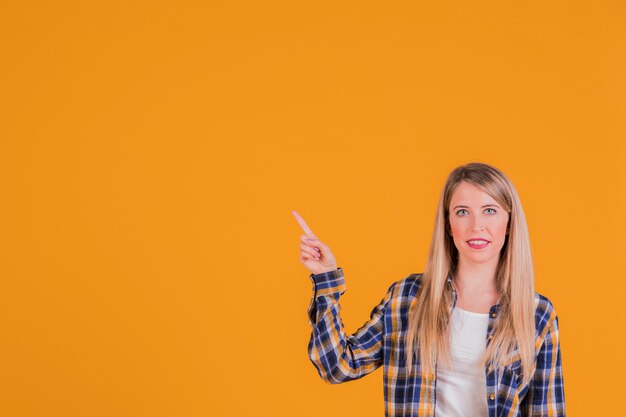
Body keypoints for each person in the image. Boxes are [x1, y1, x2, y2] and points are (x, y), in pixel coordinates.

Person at [292, 162, 565, 417]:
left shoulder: (537, 314)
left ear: (509, 223)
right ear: (448, 224)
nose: (476, 226)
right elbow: (337, 366)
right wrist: (326, 278)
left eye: (489, 210)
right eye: (462, 212)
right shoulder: (408, 297)